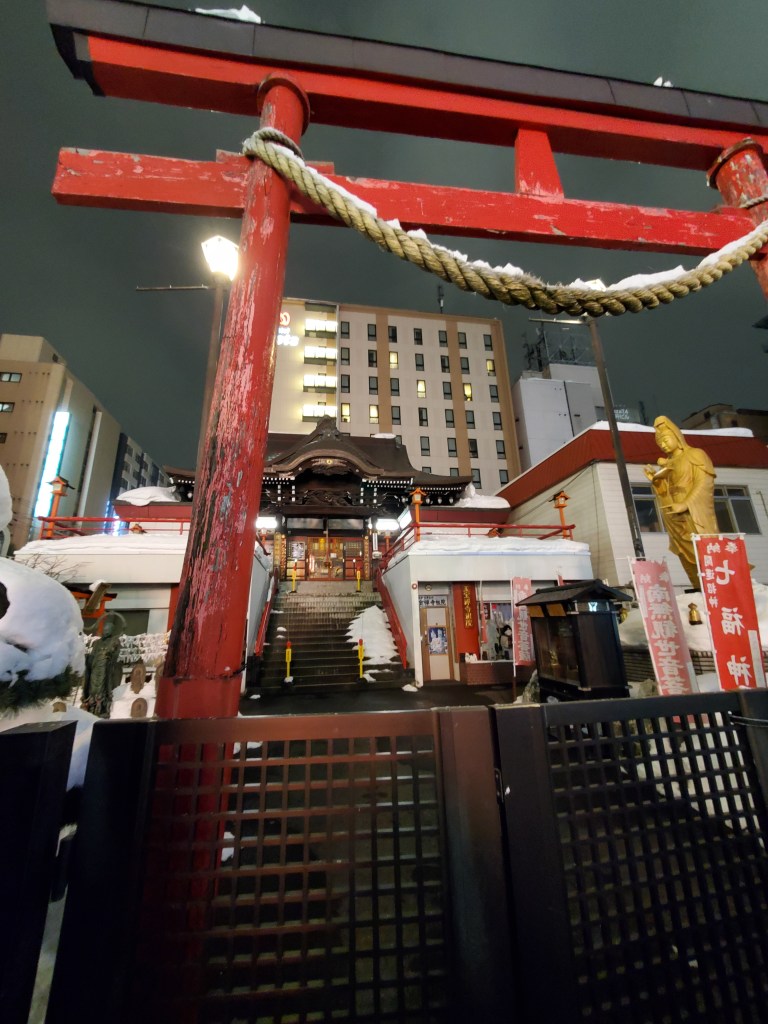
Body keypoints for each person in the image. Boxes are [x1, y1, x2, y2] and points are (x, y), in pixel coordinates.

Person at [644, 416, 718, 589]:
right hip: (674, 514)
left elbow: (704, 482)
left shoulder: (695, 454)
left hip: (692, 511)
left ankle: (716, 584)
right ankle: (698, 586)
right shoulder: (668, 464)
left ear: (677, 437)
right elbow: (666, 491)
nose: (663, 445)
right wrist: (657, 481)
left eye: (666, 440)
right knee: (683, 552)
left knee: (703, 549)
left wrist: (686, 503)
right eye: (660, 443)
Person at [81, 613, 125, 718]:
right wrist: (88, 658)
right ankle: (90, 704)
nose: (106, 631)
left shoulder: (114, 641)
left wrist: (109, 654)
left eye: (108, 630)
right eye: (104, 629)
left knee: (102, 687)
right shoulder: (97, 643)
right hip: (95, 668)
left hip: (105, 668)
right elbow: (92, 655)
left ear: (112, 631)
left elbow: (115, 655)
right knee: (92, 687)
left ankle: (102, 706)